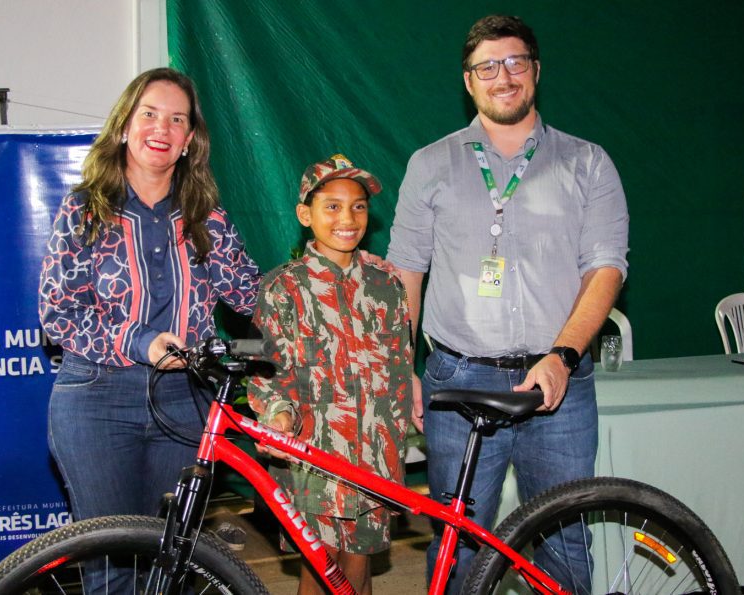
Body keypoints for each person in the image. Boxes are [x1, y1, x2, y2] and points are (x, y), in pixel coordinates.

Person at [387, 15, 629, 593]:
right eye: (487, 67)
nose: (504, 76)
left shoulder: (588, 163)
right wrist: (402, 368)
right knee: (459, 539)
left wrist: (563, 355)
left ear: (536, 72)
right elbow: (404, 275)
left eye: (516, 62)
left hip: (558, 387)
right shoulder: (430, 164)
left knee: (563, 537)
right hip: (458, 380)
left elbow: (606, 268)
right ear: (468, 82)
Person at [38, 68, 261, 534]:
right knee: (111, 555)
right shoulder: (84, 209)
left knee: (171, 554)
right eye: (150, 114)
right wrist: (140, 341)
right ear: (124, 126)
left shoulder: (208, 215)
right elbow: (58, 312)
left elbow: (250, 296)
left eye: (177, 119)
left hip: (186, 401)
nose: (162, 128)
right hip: (97, 399)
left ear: (189, 140)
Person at [248, 154, 413, 595]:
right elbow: (268, 371)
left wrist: (399, 435)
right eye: (333, 206)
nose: (348, 218)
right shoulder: (283, 287)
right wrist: (278, 416)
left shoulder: (385, 285)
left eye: (358, 206)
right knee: (320, 566)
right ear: (306, 215)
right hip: (314, 452)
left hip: (374, 451)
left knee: (359, 561)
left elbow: (399, 367)